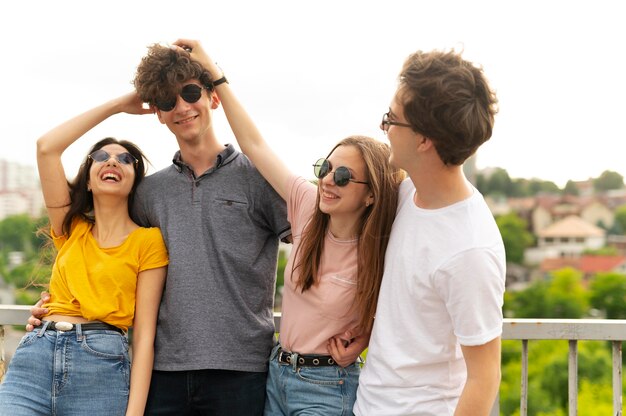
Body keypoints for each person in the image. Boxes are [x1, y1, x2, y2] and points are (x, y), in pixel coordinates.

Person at [28, 39, 290, 415]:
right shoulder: (149, 192)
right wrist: (56, 309)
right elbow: (106, 249)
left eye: (190, 92)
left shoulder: (259, 179)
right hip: (162, 373)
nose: (182, 107)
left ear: (213, 97)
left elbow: (318, 249)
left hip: (241, 371)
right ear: (159, 114)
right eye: (168, 101)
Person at [186, 38, 405, 414]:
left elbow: (406, 309)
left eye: (342, 176)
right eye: (325, 168)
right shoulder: (306, 208)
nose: (327, 181)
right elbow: (254, 145)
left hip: (327, 385)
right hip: (277, 376)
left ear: (372, 194)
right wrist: (214, 74)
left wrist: (366, 335)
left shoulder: (384, 247)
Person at [353, 49, 506, 415]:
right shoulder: (407, 194)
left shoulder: (470, 250)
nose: (384, 127)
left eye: (392, 118)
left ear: (424, 140)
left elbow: (484, 378)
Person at [0, 93, 169, 416]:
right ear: (88, 180)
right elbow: (47, 147)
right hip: (33, 361)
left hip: (100, 366)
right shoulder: (70, 226)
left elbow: (145, 338)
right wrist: (118, 106)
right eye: (101, 156)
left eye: (124, 160)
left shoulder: (148, 242)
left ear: (134, 181)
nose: (112, 162)